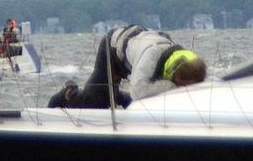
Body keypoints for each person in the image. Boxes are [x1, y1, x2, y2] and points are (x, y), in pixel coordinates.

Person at [72, 25, 206, 109]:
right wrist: (172, 87)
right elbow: (137, 93)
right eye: (181, 85)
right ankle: (67, 95)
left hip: (138, 47)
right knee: (95, 105)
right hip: (112, 50)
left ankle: (116, 95)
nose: (182, 89)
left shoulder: (187, 61)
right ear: (174, 76)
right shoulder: (150, 57)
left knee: (153, 95)